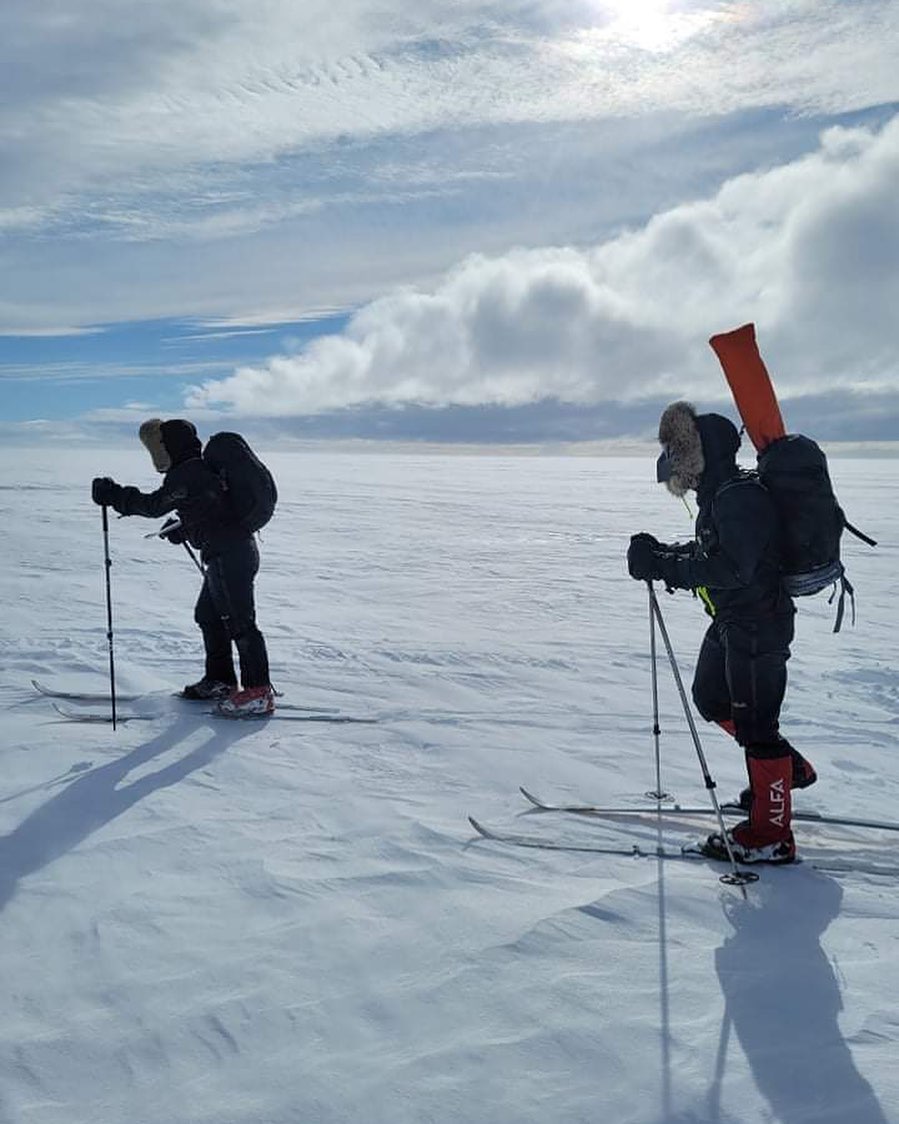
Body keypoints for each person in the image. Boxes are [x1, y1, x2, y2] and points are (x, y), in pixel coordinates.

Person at [626, 401, 816, 864]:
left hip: (758, 627)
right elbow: (719, 552)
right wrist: (665, 553)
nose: (676, 467)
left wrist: (667, 567)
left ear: (700, 455)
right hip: (734, 622)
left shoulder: (739, 499)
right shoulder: (722, 497)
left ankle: (770, 835)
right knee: (711, 698)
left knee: (757, 728)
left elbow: (732, 568)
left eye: (681, 454)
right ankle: (783, 772)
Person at [91, 418, 274, 717]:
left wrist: (114, 495)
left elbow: (152, 505)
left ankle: (258, 692)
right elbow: (211, 510)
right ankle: (221, 680)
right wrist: (183, 529)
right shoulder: (196, 472)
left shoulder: (188, 474)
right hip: (228, 553)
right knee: (208, 616)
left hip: (231, 556)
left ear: (169, 447)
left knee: (240, 622)